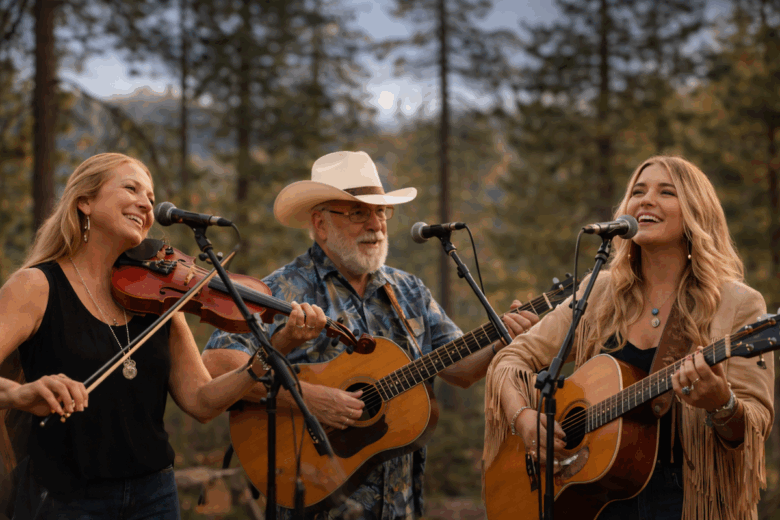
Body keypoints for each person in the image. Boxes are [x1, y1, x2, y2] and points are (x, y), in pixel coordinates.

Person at [202, 150, 539, 519]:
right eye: (357, 213)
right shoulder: (279, 290)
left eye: (381, 212)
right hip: (315, 501)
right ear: (320, 223)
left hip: (399, 505)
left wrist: (500, 339)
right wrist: (307, 398)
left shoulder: (409, 290)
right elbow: (218, 366)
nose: (376, 224)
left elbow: (460, 369)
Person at [483, 156, 774, 520]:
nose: (647, 199)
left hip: (688, 500)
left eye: (666, 192)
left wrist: (721, 403)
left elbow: (754, 426)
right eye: (638, 191)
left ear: (697, 213)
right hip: (594, 498)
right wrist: (523, 417)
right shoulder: (599, 293)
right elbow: (511, 358)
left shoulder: (737, 304)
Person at [0, 153, 269, 520]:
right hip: (65, 498)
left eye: (151, 198)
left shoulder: (158, 297)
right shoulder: (36, 286)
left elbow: (202, 402)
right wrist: (19, 394)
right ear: (85, 202)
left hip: (154, 494)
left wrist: (264, 358)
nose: (146, 204)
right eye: (131, 188)